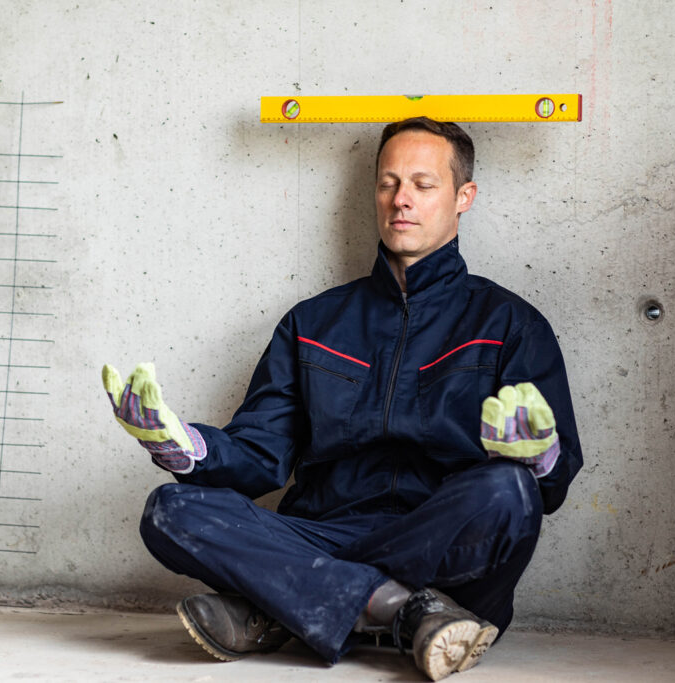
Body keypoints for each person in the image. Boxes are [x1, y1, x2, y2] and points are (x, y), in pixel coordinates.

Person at [102, 117, 582, 681]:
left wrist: (536, 458)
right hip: (326, 529)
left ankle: (282, 603)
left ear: (463, 197)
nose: (401, 200)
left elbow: (547, 490)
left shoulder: (510, 324)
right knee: (171, 510)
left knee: (507, 491)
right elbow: (260, 455)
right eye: (388, 183)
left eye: (423, 185)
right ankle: (401, 611)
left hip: (440, 541)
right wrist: (185, 446)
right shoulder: (313, 322)